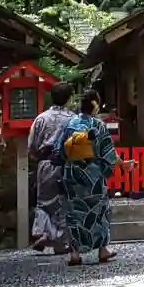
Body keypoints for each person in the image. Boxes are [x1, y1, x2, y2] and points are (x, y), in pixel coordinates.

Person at [59, 89, 130, 266]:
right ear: (95, 105)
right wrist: (121, 164)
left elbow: (60, 150)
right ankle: (102, 250)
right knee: (99, 210)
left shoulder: (69, 124)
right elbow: (108, 154)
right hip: (92, 175)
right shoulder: (97, 125)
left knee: (73, 212)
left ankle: (74, 253)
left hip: (72, 173)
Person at [26, 82, 79, 253]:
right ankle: (58, 240)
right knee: (63, 201)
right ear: (69, 98)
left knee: (43, 201)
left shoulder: (41, 118)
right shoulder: (73, 119)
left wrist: (37, 157)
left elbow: (32, 144)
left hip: (45, 163)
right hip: (66, 163)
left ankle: (41, 232)